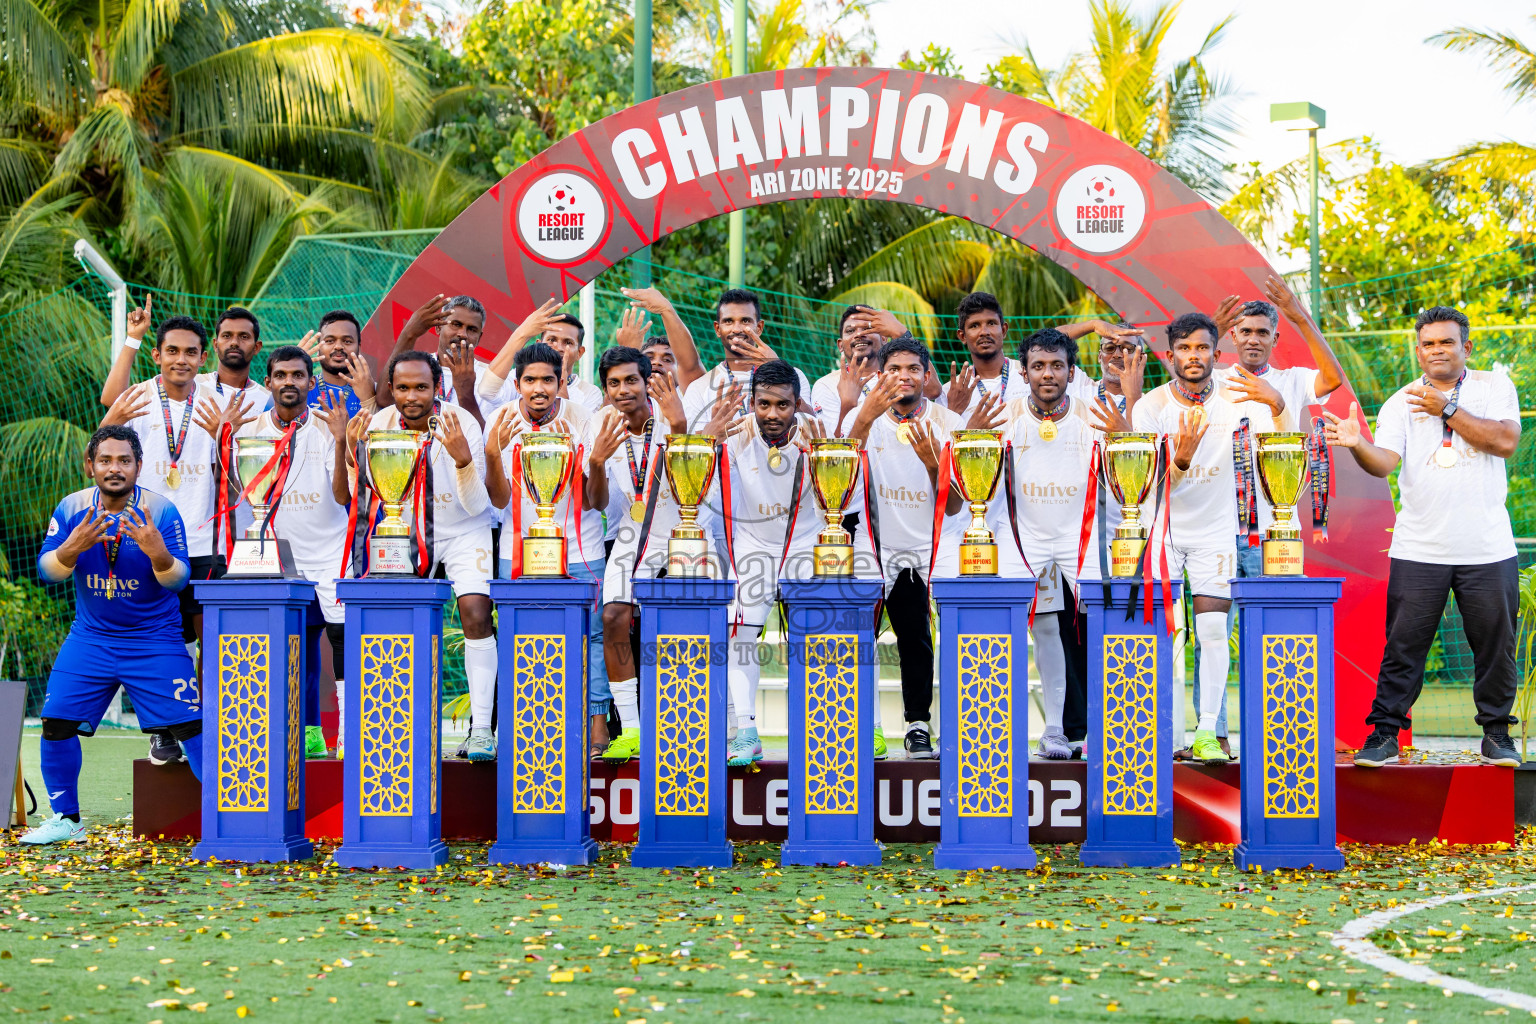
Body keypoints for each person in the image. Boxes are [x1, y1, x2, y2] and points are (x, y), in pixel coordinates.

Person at [1326, 306, 1522, 768]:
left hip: (1488, 546)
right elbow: (1385, 463)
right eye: (1429, 343)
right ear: (1418, 351)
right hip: (1419, 548)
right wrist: (1357, 444)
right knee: (1402, 646)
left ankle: (1496, 736)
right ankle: (1385, 733)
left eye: (1447, 341)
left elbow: (1505, 442)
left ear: (1466, 347)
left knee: (1496, 646)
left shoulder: (1494, 388)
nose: (1437, 350)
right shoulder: (1400, 401)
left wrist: (1448, 408)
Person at [22, 426, 202, 844]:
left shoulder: (162, 511)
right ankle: (67, 820)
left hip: (154, 640)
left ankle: (227, 819)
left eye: (124, 460)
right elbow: (48, 572)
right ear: (91, 466)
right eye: (105, 460)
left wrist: (158, 553)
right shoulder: (71, 508)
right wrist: (71, 547)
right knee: (56, 724)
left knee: (192, 730)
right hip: (91, 638)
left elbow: (178, 582)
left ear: (138, 466)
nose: (114, 468)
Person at [1131, 312, 1292, 763]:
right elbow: (1146, 486)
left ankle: (1206, 733)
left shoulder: (1240, 398)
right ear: (1170, 356)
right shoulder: (1150, 408)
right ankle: (1159, 732)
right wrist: (1180, 459)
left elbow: (1283, 444)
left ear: (1216, 354)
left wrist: (1278, 405)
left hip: (1216, 532)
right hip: (1162, 532)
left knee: (1214, 631)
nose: (1193, 356)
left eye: (1202, 348)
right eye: (1184, 348)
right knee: (1163, 636)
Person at [98, 313, 244, 767]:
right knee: (160, 644)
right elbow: (106, 430)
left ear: (205, 358)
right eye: (172, 351)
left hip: (206, 542)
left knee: (213, 641)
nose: (181, 360)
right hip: (147, 542)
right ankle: (162, 731)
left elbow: (240, 478)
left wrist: (227, 438)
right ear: (158, 355)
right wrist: (133, 338)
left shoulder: (221, 401)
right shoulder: (140, 397)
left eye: (191, 352)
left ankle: (205, 725)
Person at [351, 351, 498, 760]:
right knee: (400, 620)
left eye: (421, 387)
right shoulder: (379, 424)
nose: (411, 396)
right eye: (402, 388)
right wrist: (350, 453)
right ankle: (401, 729)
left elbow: (476, 507)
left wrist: (463, 459)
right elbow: (361, 495)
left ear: (437, 388)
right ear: (391, 389)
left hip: (463, 531)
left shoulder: (460, 422)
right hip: (406, 531)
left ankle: (482, 728)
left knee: (475, 612)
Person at [216, 346, 353, 759]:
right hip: (271, 551)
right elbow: (233, 493)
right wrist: (222, 439)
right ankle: (281, 734)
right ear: (269, 382)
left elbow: (343, 495)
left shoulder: (330, 427)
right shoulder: (248, 430)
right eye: (281, 375)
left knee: (341, 635)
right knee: (283, 640)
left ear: (312, 383)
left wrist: (342, 438)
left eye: (298, 375)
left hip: (330, 549)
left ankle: (347, 731)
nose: (289, 382)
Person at [707, 359, 844, 766]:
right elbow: (707, 494)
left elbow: (840, 501)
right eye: (763, 404)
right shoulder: (734, 438)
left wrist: (825, 457)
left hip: (806, 544)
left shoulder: (816, 439)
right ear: (751, 402)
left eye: (782, 405)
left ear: (797, 404)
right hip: (754, 547)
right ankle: (746, 731)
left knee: (819, 640)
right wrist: (708, 440)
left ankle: (823, 734)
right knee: (738, 636)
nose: (771, 413)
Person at [998, 329, 1124, 758]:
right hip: (1025, 538)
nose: (1047, 374)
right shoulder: (1006, 415)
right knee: (1042, 626)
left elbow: (1123, 479)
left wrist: (1124, 430)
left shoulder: (1094, 415)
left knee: (1099, 628)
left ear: (1072, 372)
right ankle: (1052, 729)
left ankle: (1104, 731)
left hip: (1080, 536)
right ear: (1024, 371)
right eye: (1038, 366)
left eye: (1056, 366)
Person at [482, 343, 611, 756]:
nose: (539, 389)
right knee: (517, 635)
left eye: (547, 380)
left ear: (561, 382)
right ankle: (525, 726)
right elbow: (499, 502)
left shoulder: (582, 420)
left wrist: (597, 463)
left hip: (580, 545)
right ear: (517, 383)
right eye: (530, 380)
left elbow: (595, 502)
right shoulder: (499, 421)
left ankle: (596, 723)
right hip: (518, 549)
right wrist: (491, 454)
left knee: (591, 635)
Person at [844, 337, 966, 759]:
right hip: (874, 547)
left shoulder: (949, 423)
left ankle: (918, 726)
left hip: (929, 549)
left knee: (916, 640)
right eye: (894, 368)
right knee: (860, 638)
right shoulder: (865, 417)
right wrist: (863, 418)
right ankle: (867, 727)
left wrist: (934, 463)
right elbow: (838, 480)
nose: (904, 376)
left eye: (913, 368)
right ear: (881, 375)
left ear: (926, 375)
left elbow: (954, 507)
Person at [585, 347, 692, 763]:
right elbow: (596, 502)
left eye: (631, 380)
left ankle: (691, 725)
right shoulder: (600, 424)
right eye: (614, 382)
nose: (622, 390)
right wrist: (595, 460)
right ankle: (630, 728)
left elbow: (692, 484)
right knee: (612, 615)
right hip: (632, 532)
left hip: (684, 530)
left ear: (647, 381)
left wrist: (679, 424)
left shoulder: (673, 411)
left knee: (684, 624)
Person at [680, 288, 809, 428]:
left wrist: (777, 367)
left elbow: (812, 427)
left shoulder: (795, 376)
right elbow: (695, 446)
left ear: (759, 327)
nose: (736, 329)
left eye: (745, 321)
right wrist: (713, 433)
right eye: (728, 321)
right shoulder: (699, 388)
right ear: (717, 329)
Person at [385, 293, 489, 426]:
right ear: (438, 327)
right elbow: (384, 401)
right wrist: (409, 333)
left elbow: (488, 440)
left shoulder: (490, 378)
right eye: (456, 324)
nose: (462, 334)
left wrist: (465, 393)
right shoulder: (416, 368)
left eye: (472, 329)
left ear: (479, 338)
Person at [810, 305, 912, 433]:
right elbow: (833, 447)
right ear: (840, 345)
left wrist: (903, 333)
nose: (859, 334)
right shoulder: (826, 385)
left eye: (867, 328)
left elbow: (934, 391)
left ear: (884, 338)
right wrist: (847, 405)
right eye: (850, 331)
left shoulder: (902, 376)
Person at [939, 292, 1028, 417]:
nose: (984, 332)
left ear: (1003, 330)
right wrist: (954, 412)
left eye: (991, 323)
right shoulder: (950, 392)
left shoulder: (1028, 376)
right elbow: (942, 436)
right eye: (974, 326)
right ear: (962, 336)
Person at [617, 286, 706, 392]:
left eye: (667, 360)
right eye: (649, 358)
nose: (657, 362)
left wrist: (666, 309)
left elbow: (690, 366)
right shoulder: (623, 399)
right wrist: (627, 353)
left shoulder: (689, 397)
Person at [301, 310, 378, 419]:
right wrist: (294, 366)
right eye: (329, 341)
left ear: (359, 348)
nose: (338, 346)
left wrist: (369, 399)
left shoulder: (374, 390)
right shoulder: (300, 388)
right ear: (318, 347)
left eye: (347, 341)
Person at [195, 307, 273, 413]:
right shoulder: (193, 385)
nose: (234, 342)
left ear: (257, 347)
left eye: (244, 336)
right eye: (227, 336)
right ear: (215, 345)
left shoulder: (268, 401)